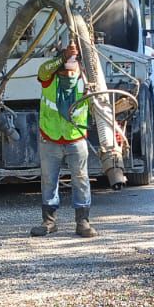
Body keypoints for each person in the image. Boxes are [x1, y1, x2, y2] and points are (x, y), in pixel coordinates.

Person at [31, 44, 97, 238]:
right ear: (58, 69)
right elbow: (43, 70)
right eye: (64, 70)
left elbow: (98, 103)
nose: (68, 74)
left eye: (72, 70)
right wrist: (63, 56)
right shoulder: (49, 80)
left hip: (75, 138)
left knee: (81, 179)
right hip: (50, 138)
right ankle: (49, 222)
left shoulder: (85, 81)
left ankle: (83, 222)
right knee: (49, 180)